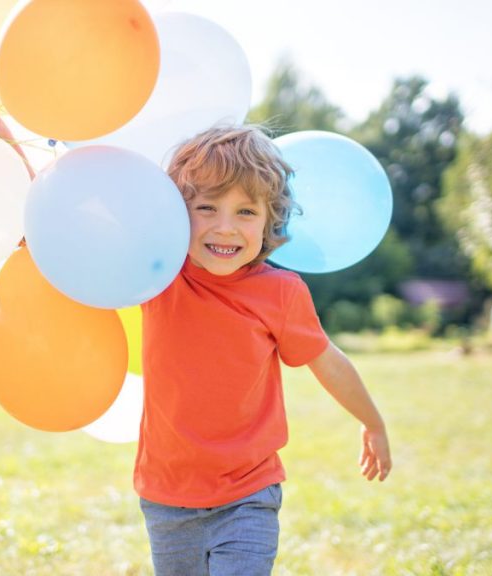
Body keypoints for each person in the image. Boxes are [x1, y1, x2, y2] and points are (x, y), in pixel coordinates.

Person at [134, 125, 391, 576]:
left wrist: (372, 421)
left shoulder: (280, 292)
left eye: (246, 211)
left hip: (248, 492)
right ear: (177, 213)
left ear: (272, 219)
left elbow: (326, 360)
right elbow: (85, 239)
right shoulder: (158, 275)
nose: (225, 227)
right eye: (207, 207)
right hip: (167, 495)